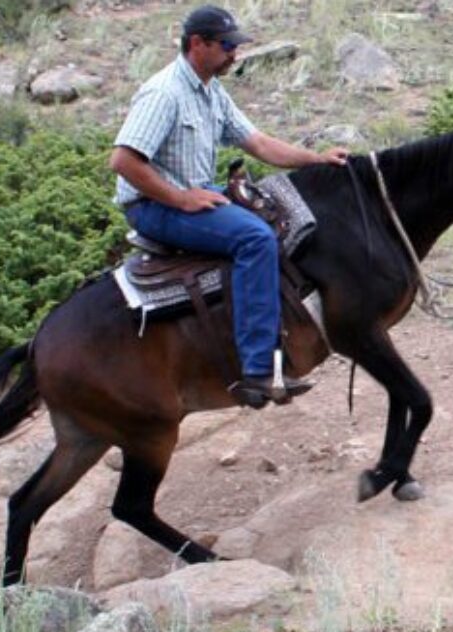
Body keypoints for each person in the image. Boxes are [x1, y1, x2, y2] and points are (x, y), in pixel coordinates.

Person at [110, 4, 348, 408]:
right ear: (197, 44)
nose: (234, 54)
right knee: (255, 238)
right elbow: (124, 162)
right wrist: (182, 198)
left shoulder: (210, 91)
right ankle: (257, 369)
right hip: (155, 205)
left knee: (278, 205)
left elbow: (257, 143)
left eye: (234, 46)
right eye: (226, 46)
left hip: (195, 191)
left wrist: (316, 159)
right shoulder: (164, 93)